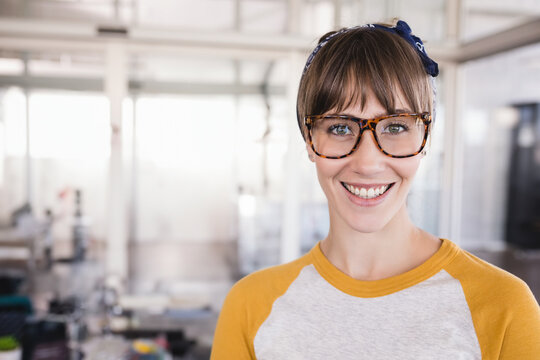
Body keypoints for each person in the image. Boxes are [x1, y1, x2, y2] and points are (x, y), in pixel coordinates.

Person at [210, 19, 540, 359]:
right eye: (339, 128)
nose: (367, 163)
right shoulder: (251, 306)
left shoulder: (503, 307)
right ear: (310, 141)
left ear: (425, 139)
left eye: (395, 126)